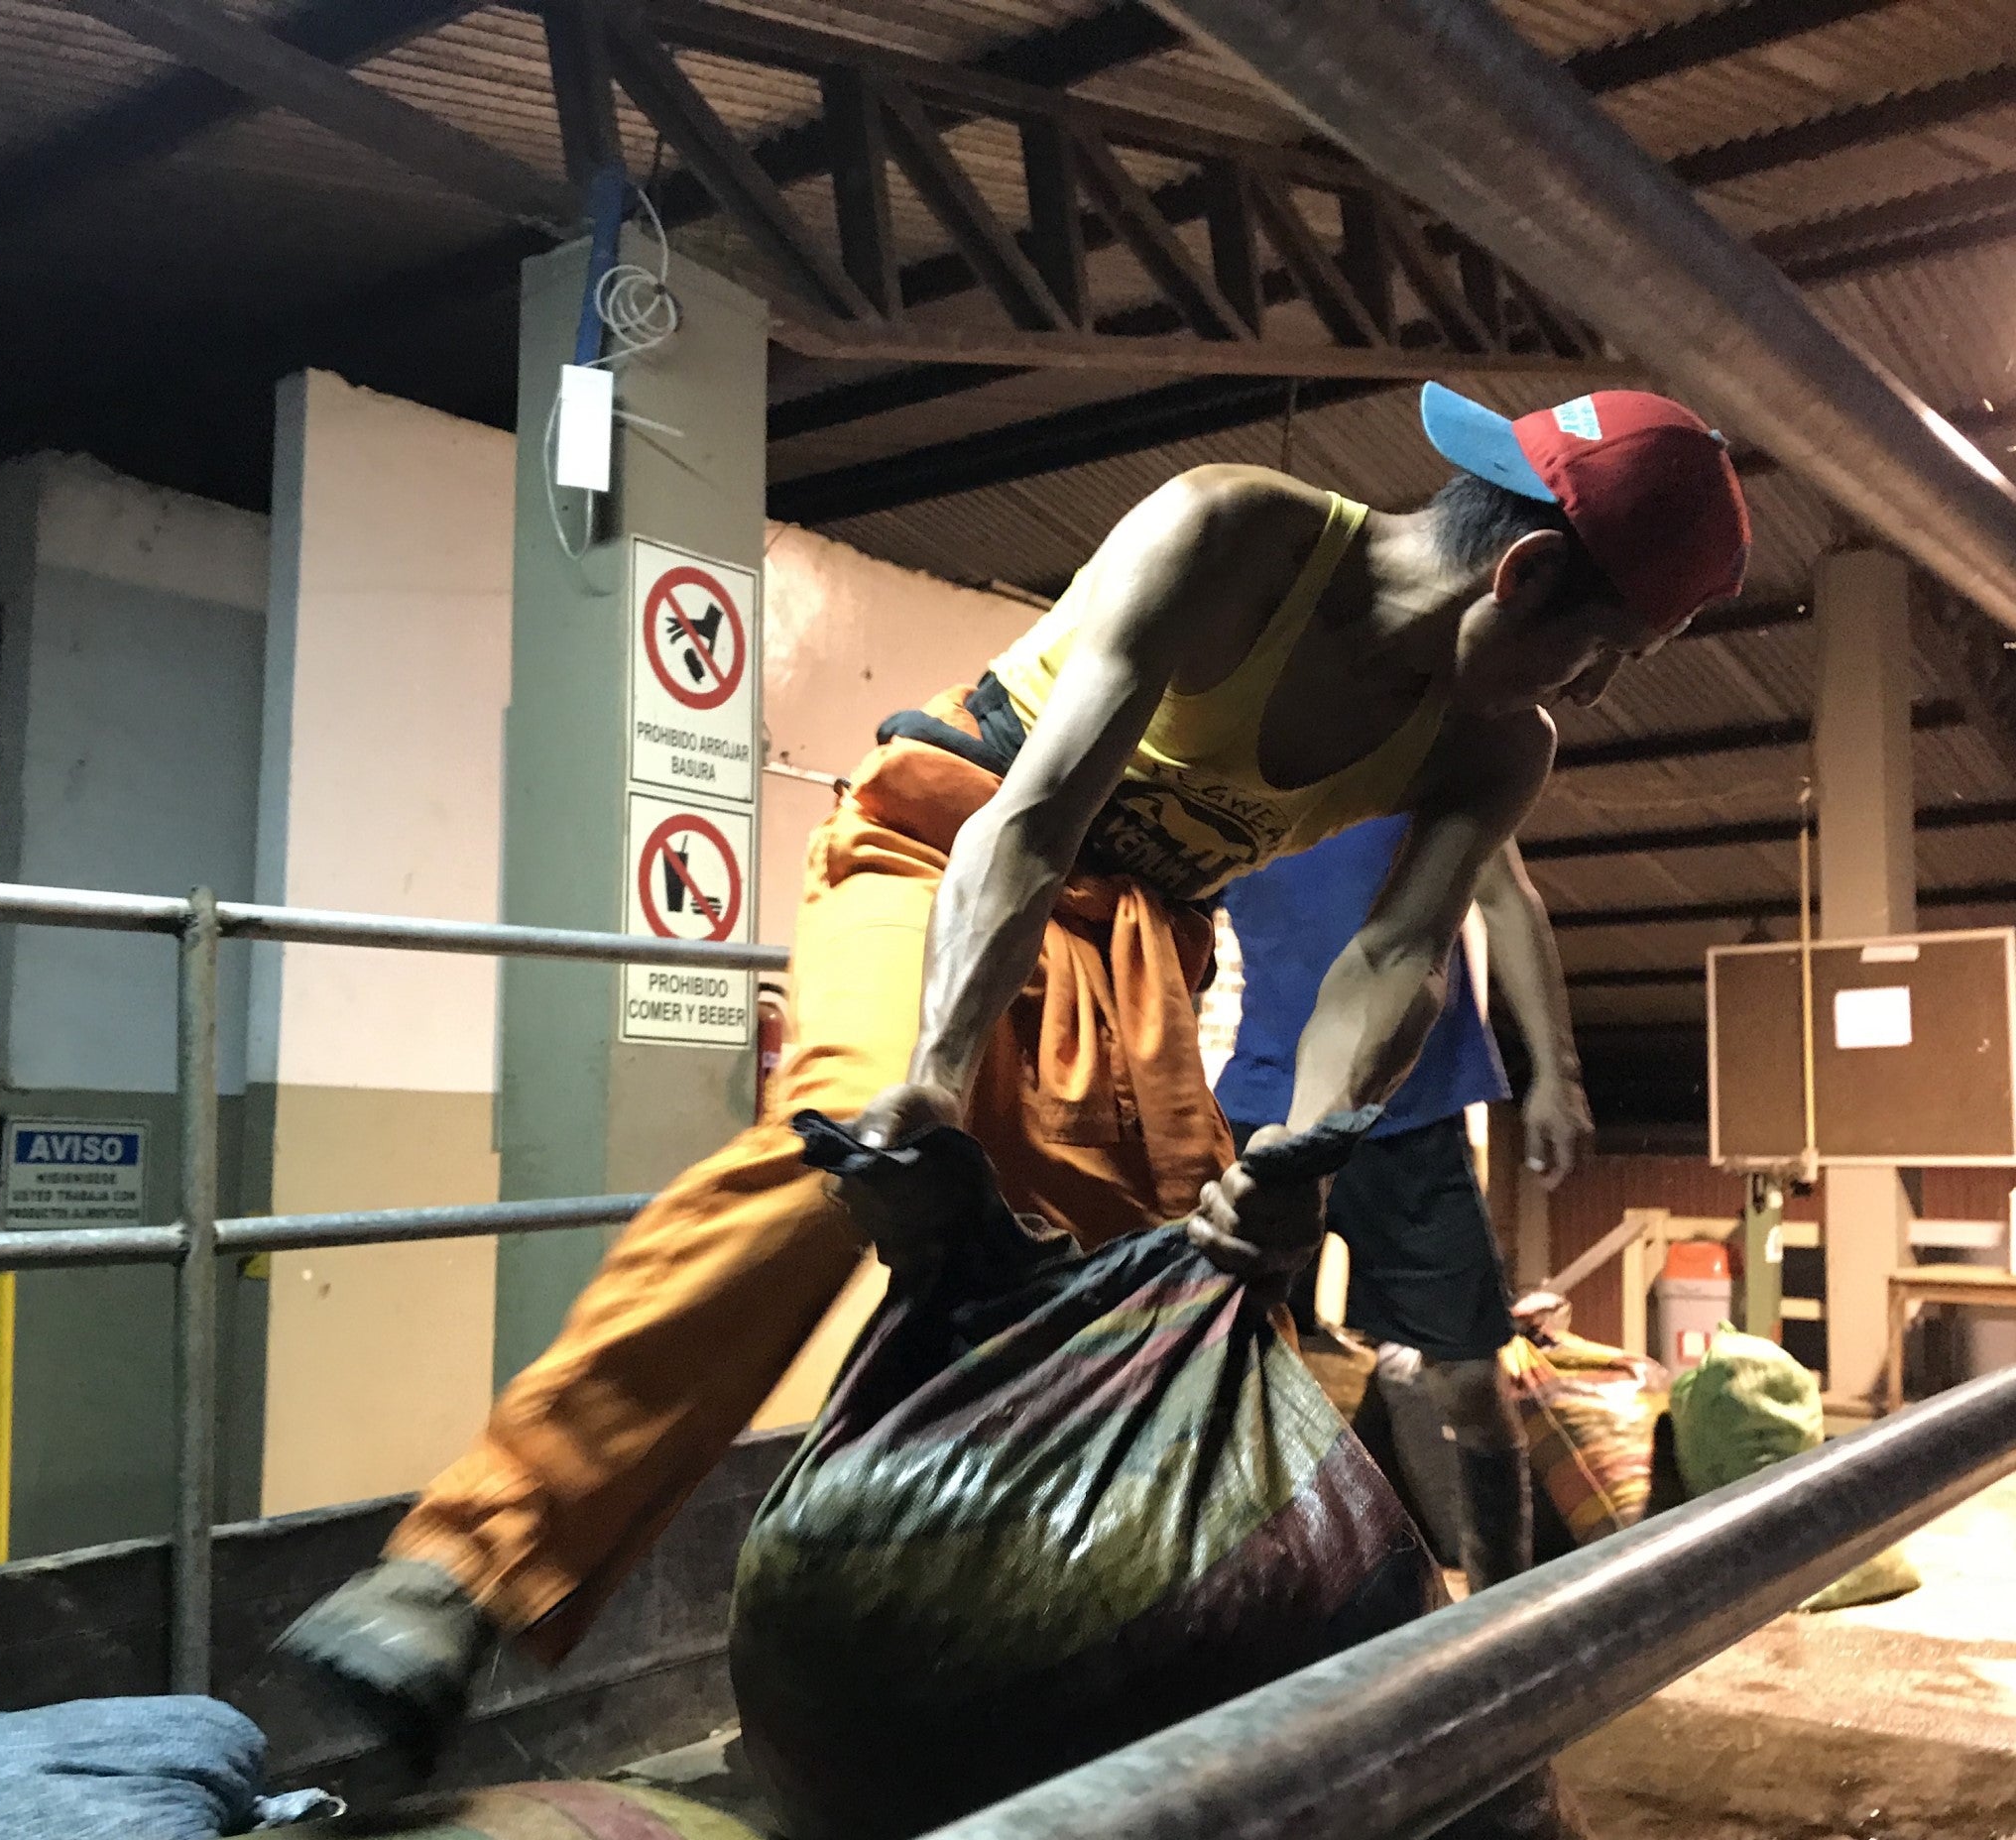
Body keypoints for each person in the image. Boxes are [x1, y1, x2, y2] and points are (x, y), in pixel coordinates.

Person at [282, 384, 1749, 1763]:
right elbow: (1033, 815)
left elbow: (1395, 961)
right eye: (1609, 647)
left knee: (1161, 1299)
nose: (1599, 686)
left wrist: (1297, 1163)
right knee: (845, 1157)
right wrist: (928, 1083)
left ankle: (1038, 1704)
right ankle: (459, 1574)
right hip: (953, 845)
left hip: (1138, 947)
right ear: (1530, 580)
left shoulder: (1499, 748)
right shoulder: (1234, 536)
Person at [1217, 821, 1590, 1588]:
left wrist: (1558, 1071)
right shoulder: (1237, 763)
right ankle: (1243, 1605)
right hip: (1266, 1108)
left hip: (1413, 1110)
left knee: (1467, 1384)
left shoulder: (1431, 744)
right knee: (1229, 1369)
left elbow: (1508, 901)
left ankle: (1495, 1613)